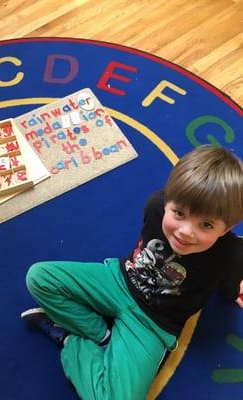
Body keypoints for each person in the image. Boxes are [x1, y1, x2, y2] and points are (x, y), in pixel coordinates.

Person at [21, 145, 243, 400]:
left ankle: (72, 340)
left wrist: (233, 291)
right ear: (168, 199)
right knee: (38, 278)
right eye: (179, 213)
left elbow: (231, 281)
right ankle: (101, 335)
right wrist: (103, 336)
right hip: (120, 281)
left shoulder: (232, 252)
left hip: (154, 323)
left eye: (205, 225)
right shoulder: (155, 206)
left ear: (226, 228)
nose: (185, 232)